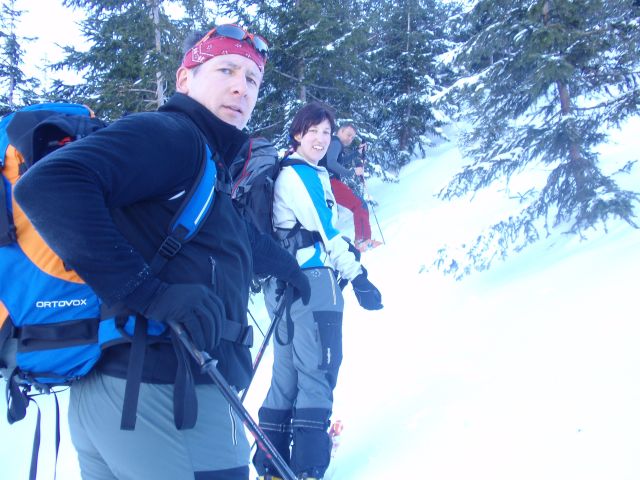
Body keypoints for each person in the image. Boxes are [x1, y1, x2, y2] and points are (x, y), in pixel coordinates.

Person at [14, 24, 310, 480]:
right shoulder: (174, 135)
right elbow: (47, 187)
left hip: (122, 395)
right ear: (185, 79)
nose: (241, 87)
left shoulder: (202, 161)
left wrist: (287, 267)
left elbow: (232, 234)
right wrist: (149, 293)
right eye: (226, 70)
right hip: (168, 396)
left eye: (252, 78)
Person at [253, 102, 384, 480]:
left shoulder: (288, 172)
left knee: (287, 376)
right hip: (311, 285)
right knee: (319, 371)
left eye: (326, 132)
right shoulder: (303, 175)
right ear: (297, 134)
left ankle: (271, 465)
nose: (321, 139)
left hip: (283, 285)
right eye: (313, 131)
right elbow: (325, 233)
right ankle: (308, 469)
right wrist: (358, 277)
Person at [321, 123, 381, 252]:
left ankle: (361, 240)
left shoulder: (333, 143)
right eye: (348, 135)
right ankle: (362, 241)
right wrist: (352, 172)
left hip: (324, 182)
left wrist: (356, 153)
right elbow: (331, 163)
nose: (350, 139)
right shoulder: (335, 142)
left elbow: (339, 162)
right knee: (359, 205)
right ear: (340, 131)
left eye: (352, 137)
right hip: (330, 181)